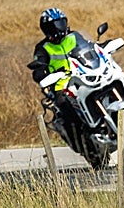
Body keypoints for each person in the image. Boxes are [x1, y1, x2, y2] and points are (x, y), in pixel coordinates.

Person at [29, 7, 87, 144]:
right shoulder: (43, 47)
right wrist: (41, 74)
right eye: (53, 26)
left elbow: (89, 47)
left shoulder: (74, 36)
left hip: (83, 77)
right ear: (46, 29)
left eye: (61, 23)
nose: (58, 29)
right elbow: (38, 68)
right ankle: (82, 138)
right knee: (67, 113)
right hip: (62, 87)